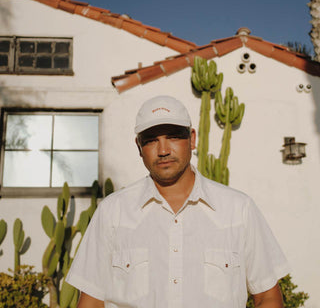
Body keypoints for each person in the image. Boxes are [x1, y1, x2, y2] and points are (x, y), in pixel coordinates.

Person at [66, 95, 290, 308]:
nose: (163, 150)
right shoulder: (112, 213)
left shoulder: (238, 210)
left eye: (173, 136)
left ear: (192, 139)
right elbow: (91, 301)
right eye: (151, 140)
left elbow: (267, 297)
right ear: (138, 147)